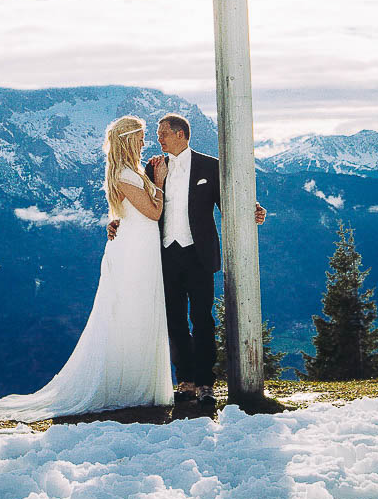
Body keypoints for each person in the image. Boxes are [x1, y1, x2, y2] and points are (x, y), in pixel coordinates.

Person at [0, 115, 172, 422]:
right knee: (130, 311)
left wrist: (119, 217)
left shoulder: (126, 172)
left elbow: (127, 211)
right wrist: (158, 181)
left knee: (133, 311)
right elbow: (154, 212)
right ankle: (129, 385)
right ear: (129, 139)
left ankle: (134, 383)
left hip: (137, 248)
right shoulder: (126, 174)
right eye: (142, 136)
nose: (146, 142)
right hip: (135, 253)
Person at [111, 114, 265, 406]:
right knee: (175, 321)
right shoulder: (153, 167)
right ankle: (185, 382)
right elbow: (138, 206)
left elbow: (229, 202)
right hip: (165, 255)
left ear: (180, 134)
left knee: (203, 319)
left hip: (198, 254)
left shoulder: (210, 166)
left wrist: (254, 209)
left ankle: (207, 383)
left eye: (163, 134)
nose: (158, 140)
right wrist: (119, 222)